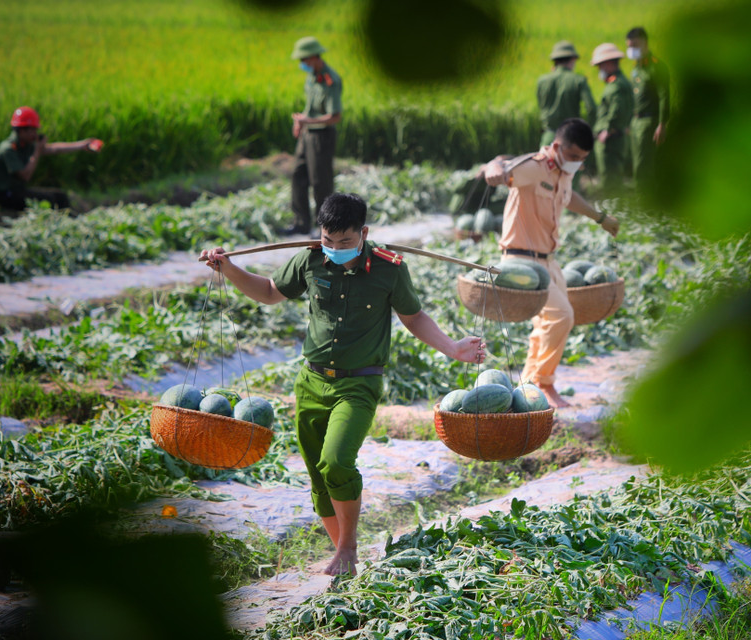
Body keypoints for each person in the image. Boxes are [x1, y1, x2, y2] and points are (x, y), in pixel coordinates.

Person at [200, 193, 486, 576]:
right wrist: (228, 269)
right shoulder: (310, 259)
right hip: (311, 382)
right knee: (318, 475)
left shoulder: (389, 269)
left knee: (336, 462)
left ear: (363, 233)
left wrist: (453, 348)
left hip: (359, 384)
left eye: (345, 242)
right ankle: (342, 558)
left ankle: (349, 548)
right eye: (328, 240)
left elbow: (413, 316)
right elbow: (269, 292)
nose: (334, 249)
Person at [482, 118, 619, 409]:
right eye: (572, 157)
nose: (577, 164)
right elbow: (499, 171)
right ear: (557, 146)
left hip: (549, 260)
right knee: (562, 316)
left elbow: (569, 199)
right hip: (521, 260)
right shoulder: (534, 167)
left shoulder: (563, 172)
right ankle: (543, 383)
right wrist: (493, 167)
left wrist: (600, 218)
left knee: (547, 323)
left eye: (582, 159)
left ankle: (530, 385)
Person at [0, 106, 101, 211]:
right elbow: (25, 176)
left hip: (18, 191)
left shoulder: (25, 144)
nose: (35, 134)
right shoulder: (8, 149)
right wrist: (37, 150)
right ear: (21, 131)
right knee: (49, 200)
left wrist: (82, 145)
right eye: (33, 130)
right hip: (7, 195)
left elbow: (54, 149)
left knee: (60, 196)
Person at [289, 36, 343, 237]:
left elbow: (334, 116)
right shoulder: (312, 77)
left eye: (304, 60)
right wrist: (300, 122)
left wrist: (307, 121)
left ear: (314, 57)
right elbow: (310, 109)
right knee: (298, 175)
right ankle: (301, 223)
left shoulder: (331, 80)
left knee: (321, 182)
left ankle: (325, 228)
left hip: (322, 136)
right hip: (307, 134)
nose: (302, 64)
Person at [625, 27, 671, 189]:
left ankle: (645, 206)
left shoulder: (657, 67)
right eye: (629, 46)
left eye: (634, 45)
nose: (631, 50)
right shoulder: (636, 68)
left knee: (643, 166)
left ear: (645, 43)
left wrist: (662, 123)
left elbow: (664, 96)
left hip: (649, 122)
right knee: (637, 163)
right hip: (636, 121)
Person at [590, 43, 634, 192]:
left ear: (608, 64)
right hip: (616, 137)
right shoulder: (621, 83)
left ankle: (612, 212)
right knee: (613, 178)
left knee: (610, 180)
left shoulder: (616, 86)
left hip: (610, 139)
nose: (599, 70)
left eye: (600, 66)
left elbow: (617, 110)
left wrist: (607, 130)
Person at [536, 41, 597, 148]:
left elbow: (541, 105)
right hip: (571, 138)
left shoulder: (542, 81)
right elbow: (591, 109)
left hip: (549, 137)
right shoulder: (579, 80)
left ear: (554, 61)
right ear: (573, 59)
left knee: (545, 164)